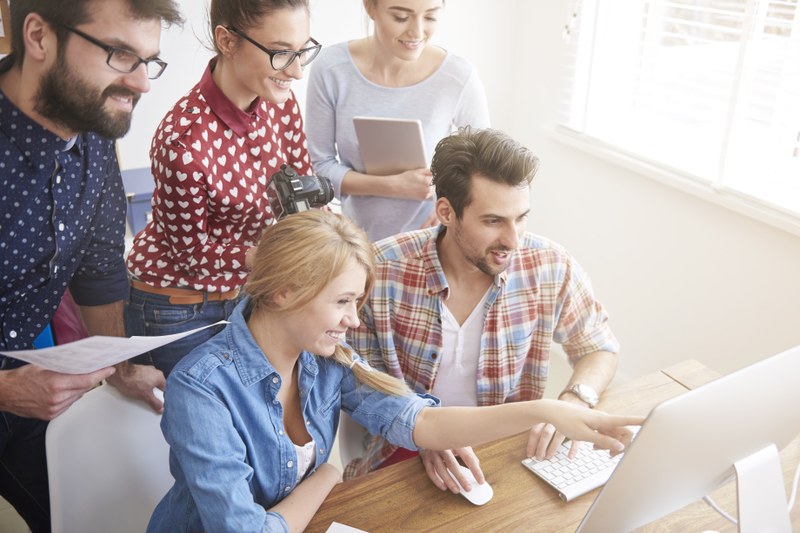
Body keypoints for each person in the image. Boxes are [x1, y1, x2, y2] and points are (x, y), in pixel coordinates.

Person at [147, 209, 642, 532]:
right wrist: (326, 476)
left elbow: (421, 423)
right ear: (282, 293)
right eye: (342, 301)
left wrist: (547, 409)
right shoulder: (201, 389)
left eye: (357, 301)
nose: (353, 320)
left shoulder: (324, 361)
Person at [345, 127, 621, 493]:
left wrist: (576, 399)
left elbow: (598, 346)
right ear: (446, 211)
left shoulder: (550, 266)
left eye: (521, 217)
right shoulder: (381, 269)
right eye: (493, 221)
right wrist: (423, 431)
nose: (513, 240)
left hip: (510, 449)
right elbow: (354, 378)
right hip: (405, 448)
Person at [0, 0, 183, 531]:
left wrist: (122, 366)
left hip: (27, 377)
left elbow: (99, 267)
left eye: (149, 60)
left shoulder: (93, 128)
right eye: (121, 55)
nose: (144, 83)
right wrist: (6, 391)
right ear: (39, 37)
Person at [126, 0, 322, 376]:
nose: (297, 71)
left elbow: (304, 195)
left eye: (302, 51)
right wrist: (280, 255)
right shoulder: (182, 142)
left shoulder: (281, 103)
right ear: (228, 42)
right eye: (281, 53)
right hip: (178, 307)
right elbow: (193, 255)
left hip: (247, 291)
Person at [305, 0, 490, 242]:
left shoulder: (458, 77)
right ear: (370, 7)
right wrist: (393, 185)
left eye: (431, 17)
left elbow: (484, 168)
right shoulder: (331, 69)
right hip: (354, 242)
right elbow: (318, 168)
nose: (417, 32)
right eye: (401, 17)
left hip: (432, 241)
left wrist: (454, 205)